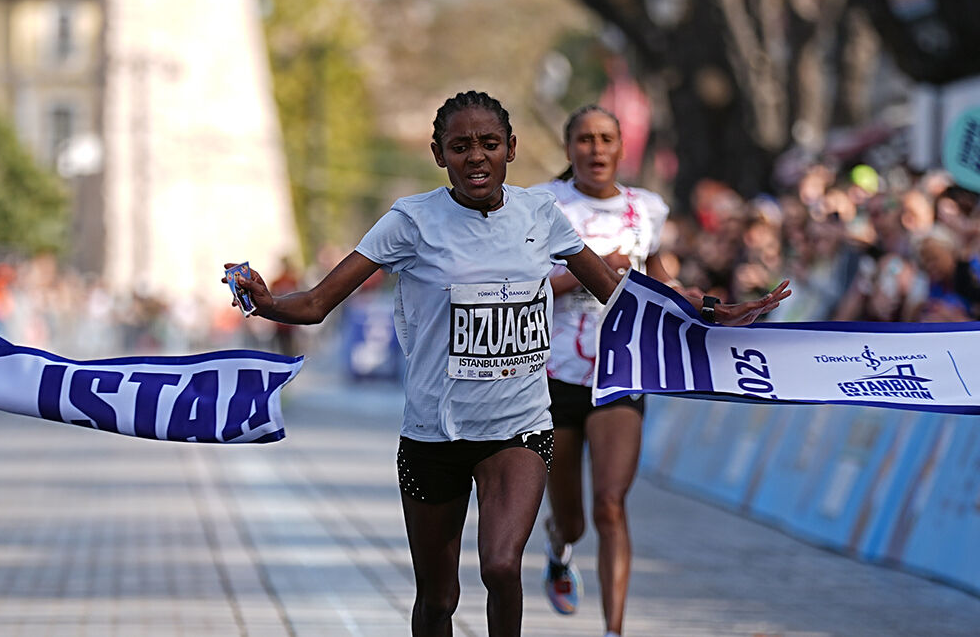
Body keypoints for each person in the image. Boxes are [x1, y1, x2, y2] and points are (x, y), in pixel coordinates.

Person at [225, 91, 789, 637]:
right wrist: (266, 300)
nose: (476, 157)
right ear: (438, 153)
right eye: (461, 145)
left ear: (511, 148)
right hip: (433, 433)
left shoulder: (540, 214)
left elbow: (618, 293)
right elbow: (318, 303)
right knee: (438, 598)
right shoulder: (409, 222)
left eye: (489, 143)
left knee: (500, 566)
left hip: (517, 428)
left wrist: (706, 310)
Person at [532, 105, 710, 637]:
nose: (596, 149)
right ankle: (559, 544)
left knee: (610, 503)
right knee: (575, 518)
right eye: (584, 139)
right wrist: (594, 271)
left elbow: (659, 282)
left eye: (606, 138)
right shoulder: (543, 203)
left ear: (620, 147)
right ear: (569, 149)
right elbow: (525, 288)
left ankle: (614, 630)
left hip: (621, 370)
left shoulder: (647, 209)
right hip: (554, 374)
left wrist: (704, 304)